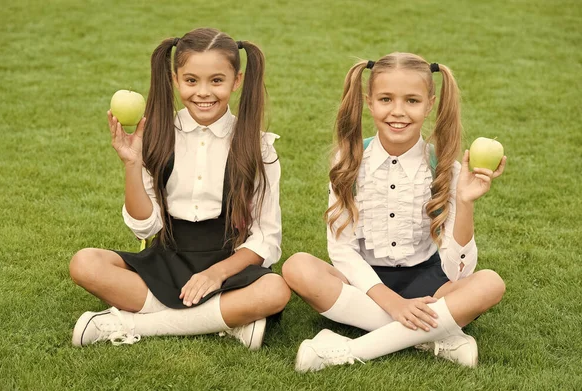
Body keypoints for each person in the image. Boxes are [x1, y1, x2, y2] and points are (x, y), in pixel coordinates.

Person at [282, 53, 507, 371]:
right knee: (297, 267)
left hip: (429, 281)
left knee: (490, 284)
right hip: (363, 281)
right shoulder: (347, 161)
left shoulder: (444, 167)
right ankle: (435, 336)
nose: (398, 112)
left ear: (429, 105)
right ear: (369, 102)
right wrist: (393, 304)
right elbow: (341, 251)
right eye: (386, 99)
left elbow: (459, 273)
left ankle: (345, 350)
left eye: (412, 101)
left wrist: (466, 201)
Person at [69, 28, 289, 351]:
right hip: (167, 260)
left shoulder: (259, 147)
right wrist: (132, 164)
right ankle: (225, 321)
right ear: (175, 78)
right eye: (191, 81)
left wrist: (216, 274)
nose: (203, 92)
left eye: (217, 81)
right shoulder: (159, 136)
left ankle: (129, 324)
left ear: (237, 81)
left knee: (276, 290)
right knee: (84, 264)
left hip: (229, 265)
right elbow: (146, 225)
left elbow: (267, 238)